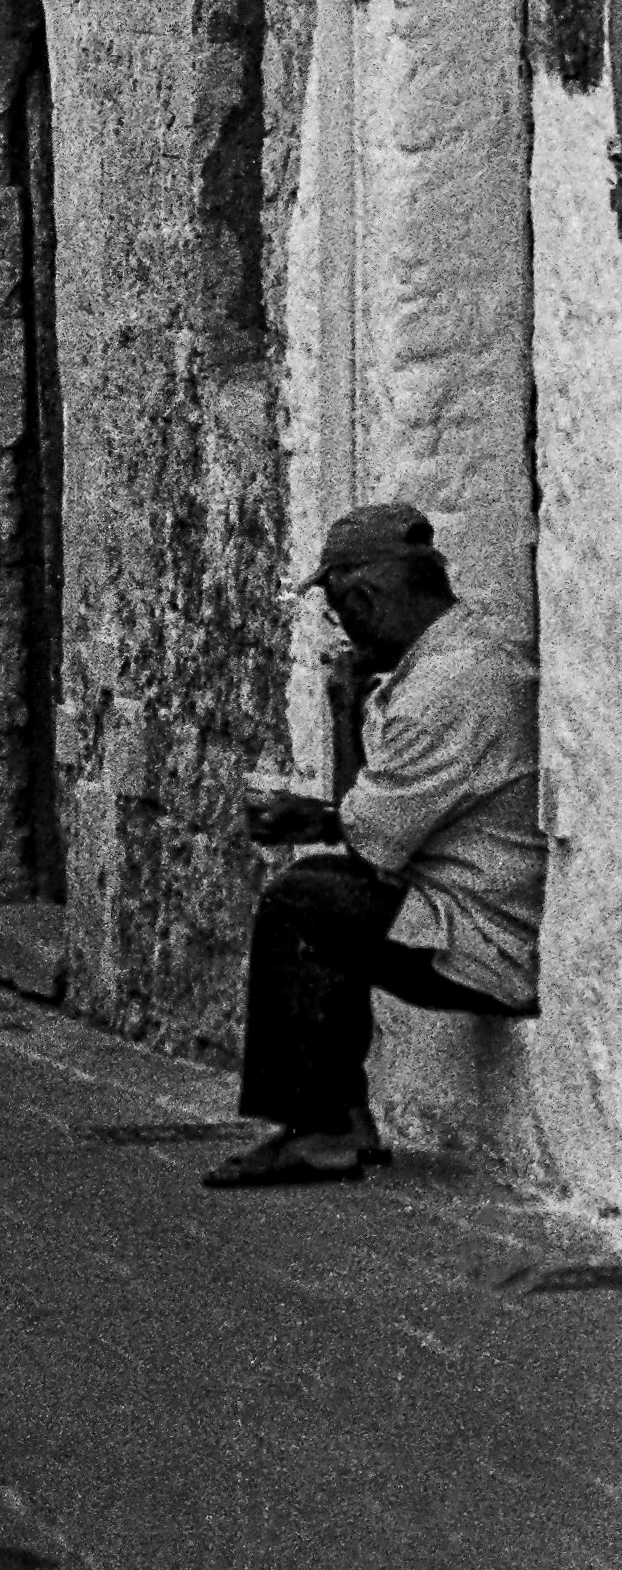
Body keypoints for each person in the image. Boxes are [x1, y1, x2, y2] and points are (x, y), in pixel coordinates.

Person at [205, 498, 545, 1189]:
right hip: (463, 908)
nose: (343, 626)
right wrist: (331, 800)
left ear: (364, 592)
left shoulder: (444, 688)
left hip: (483, 942)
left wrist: (338, 740)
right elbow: (372, 819)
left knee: (302, 901)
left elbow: (371, 844)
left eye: (340, 608)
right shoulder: (463, 653)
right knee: (321, 891)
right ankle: (338, 1120)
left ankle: (323, 1127)